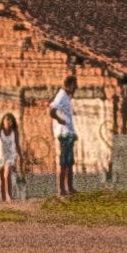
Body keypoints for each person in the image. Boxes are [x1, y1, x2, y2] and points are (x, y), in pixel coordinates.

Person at [50, 72, 80, 200]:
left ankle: (70, 187)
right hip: (63, 134)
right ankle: (61, 189)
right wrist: (59, 120)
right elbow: (51, 110)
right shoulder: (61, 96)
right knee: (64, 162)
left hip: (69, 133)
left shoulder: (67, 97)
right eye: (74, 85)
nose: (75, 87)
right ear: (69, 85)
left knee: (70, 162)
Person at [0, 111, 20, 204]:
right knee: (1, 177)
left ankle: (8, 196)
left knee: (7, 175)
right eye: (6, 119)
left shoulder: (14, 132)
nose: (8, 121)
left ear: (12, 122)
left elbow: (17, 144)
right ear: (3, 121)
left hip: (10, 156)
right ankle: (2, 196)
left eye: (10, 120)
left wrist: (20, 155)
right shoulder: (0, 131)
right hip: (0, 156)